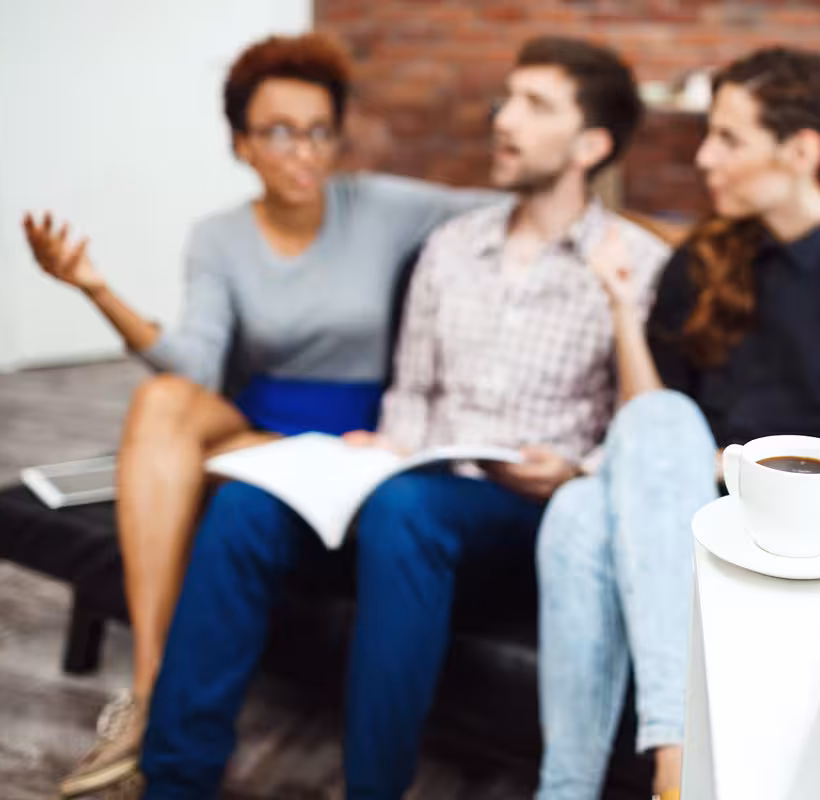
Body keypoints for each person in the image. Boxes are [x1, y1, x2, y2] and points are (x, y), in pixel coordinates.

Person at [138, 36, 670, 799]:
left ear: (593, 144)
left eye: (535, 105)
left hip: (531, 510)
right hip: (417, 490)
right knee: (250, 503)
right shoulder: (451, 248)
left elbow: (650, 436)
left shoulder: (640, 267)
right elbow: (414, 392)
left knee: (407, 509)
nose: (504, 120)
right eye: (507, 98)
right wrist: (387, 443)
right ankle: (174, 780)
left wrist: (574, 472)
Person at [22, 33, 495, 798]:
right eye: (277, 131)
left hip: (356, 444)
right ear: (242, 143)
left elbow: (516, 206)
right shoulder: (219, 237)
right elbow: (197, 365)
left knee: (187, 448)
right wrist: (93, 287)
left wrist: (673, 235)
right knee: (160, 400)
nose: (301, 151)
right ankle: (152, 693)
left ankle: (156, 706)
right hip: (254, 437)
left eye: (318, 130)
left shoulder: (384, 206)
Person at [534, 46, 820, 800]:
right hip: (672, 518)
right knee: (587, 493)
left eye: (728, 138)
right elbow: (647, 426)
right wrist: (622, 310)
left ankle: (662, 759)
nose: (703, 157)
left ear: (800, 152)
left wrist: (736, 468)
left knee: (584, 499)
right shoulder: (701, 261)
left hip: (787, 537)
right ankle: (641, 767)